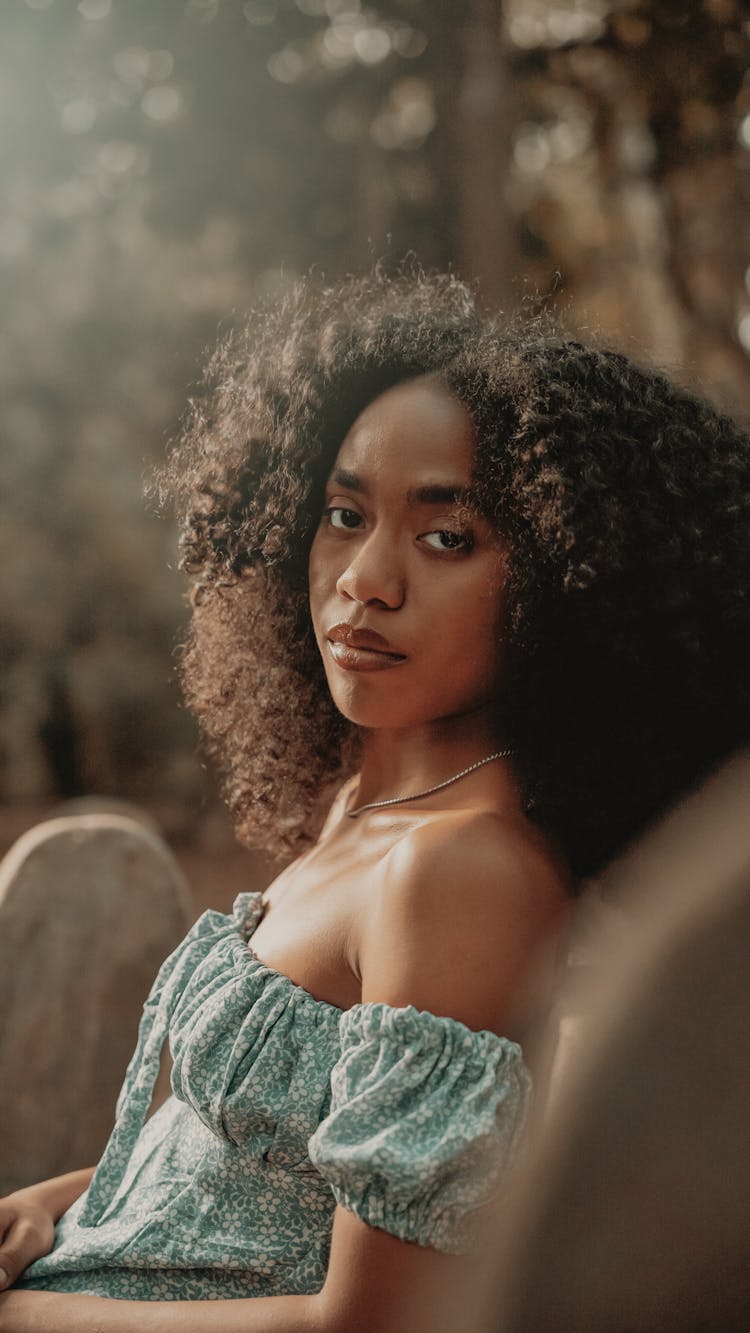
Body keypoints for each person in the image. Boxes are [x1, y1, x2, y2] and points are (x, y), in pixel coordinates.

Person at [0, 268, 747, 1332]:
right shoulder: (365, 805)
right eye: (344, 514)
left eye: (446, 537)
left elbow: (375, 1321)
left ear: (570, 584)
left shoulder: (459, 874)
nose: (366, 580)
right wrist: (53, 1204)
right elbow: (264, 1169)